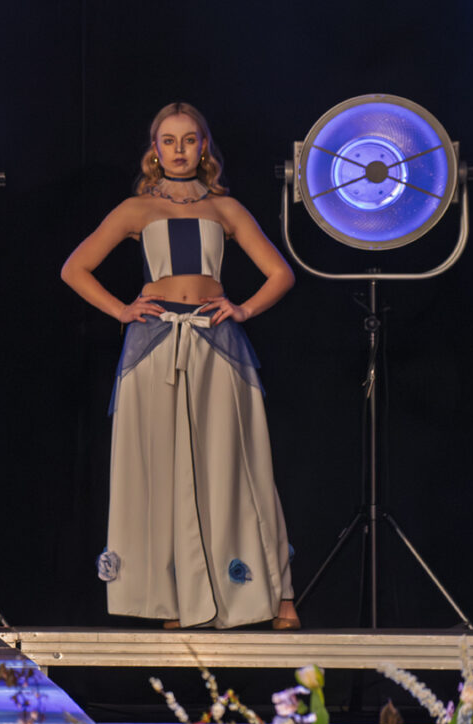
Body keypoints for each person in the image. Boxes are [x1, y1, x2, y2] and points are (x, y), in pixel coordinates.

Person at [60, 102, 300, 630]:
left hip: (216, 341)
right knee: (163, 466)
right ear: (154, 150)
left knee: (238, 462)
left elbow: (280, 274)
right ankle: (178, 600)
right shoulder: (137, 210)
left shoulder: (225, 209)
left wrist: (243, 309)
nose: (179, 150)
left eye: (189, 140)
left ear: (204, 146)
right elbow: (74, 268)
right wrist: (122, 310)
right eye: (168, 141)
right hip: (155, 343)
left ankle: (278, 596)